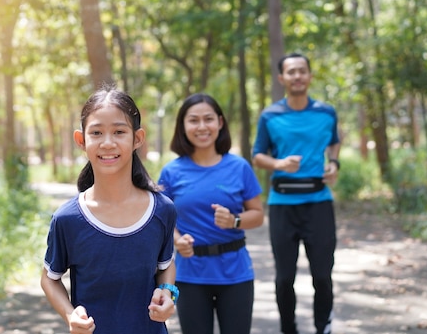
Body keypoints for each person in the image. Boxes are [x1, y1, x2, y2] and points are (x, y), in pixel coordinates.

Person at [41, 84, 179, 334]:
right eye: (96, 133)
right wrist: (70, 315)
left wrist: (168, 293)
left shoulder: (162, 210)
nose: (107, 143)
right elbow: (50, 278)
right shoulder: (67, 219)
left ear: (137, 139)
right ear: (81, 140)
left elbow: (165, 264)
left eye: (119, 132)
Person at [158, 93, 264, 334]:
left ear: (220, 122)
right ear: (183, 126)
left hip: (236, 273)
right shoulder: (172, 172)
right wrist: (177, 240)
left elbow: (257, 215)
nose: (202, 126)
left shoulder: (239, 167)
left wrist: (234, 220)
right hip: (190, 274)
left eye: (208, 119)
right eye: (193, 120)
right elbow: (162, 219)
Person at [252, 52, 341, 334]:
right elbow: (257, 156)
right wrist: (279, 163)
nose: (297, 76)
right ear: (282, 78)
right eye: (291, 72)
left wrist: (335, 163)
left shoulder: (326, 112)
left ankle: (322, 327)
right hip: (282, 205)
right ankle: (288, 329)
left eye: (302, 71)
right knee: (284, 278)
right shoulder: (270, 115)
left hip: (319, 203)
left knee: (322, 277)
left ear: (310, 76)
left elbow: (335, 143)